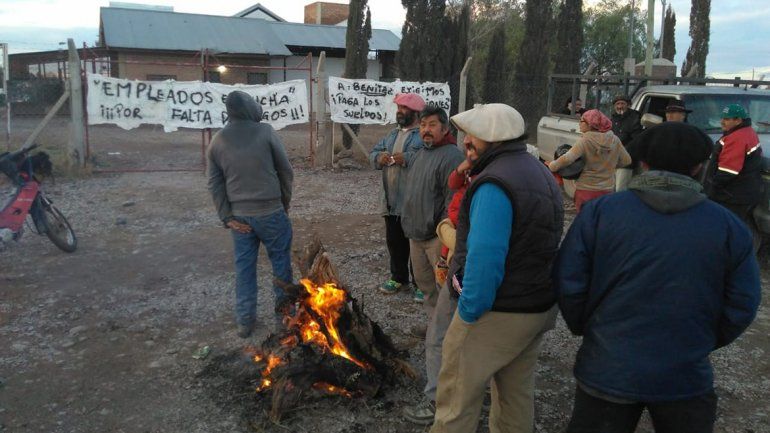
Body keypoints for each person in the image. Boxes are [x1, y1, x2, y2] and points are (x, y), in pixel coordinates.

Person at [553, 121, 761, 433]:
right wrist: (702, 338)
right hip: (685, 374)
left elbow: (569, 280)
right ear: (699, 168)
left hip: (608, 367)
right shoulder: (728, 226)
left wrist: (589, 327)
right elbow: (743, 302)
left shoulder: (601, 214)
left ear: (643, 163)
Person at [429, 104, 564, 433]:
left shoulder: (494, 183)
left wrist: (469, 310)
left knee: (456, 401)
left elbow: (486, 257)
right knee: (515, 398)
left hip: (497, 311)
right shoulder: (540, 172)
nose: (466, 142)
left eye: (472, 136)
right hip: (536, 306)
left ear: (493, 138)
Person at [207, 90, 294, 339]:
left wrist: (227, 217)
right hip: (271, 213)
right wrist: (283, 204)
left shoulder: (218, 140)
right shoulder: (265, 132)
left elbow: (214, 184)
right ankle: (285, 321)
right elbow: (286, 171)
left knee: (244, 269)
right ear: (249, 108)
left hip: (240, 218)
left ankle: (245, 322)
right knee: (281, 266)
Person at [400, 105, 464, 425]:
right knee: (428, 293)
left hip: (436, 240)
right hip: (414, 235)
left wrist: (442, 244)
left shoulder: (451, 156)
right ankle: (434, 333)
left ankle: (448, 354)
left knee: (444, 298)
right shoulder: (420, 152)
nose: (426, 130)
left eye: (432, 125)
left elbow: (450, 205)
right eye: (423, 124)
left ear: (444, 128)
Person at [369, 93, 425, 296]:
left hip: (413, 203)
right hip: (391, 202)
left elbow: (428, 158)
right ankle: (399, 279)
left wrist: (408, 158)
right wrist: (379, 158)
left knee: (417, 245)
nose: (399, 111)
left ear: (416, 113)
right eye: (399, 108)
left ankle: (421, 284)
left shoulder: (422, 136)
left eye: (404, 108)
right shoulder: (392, 135)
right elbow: (373, 153)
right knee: (395, 242)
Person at [548, 109, 632, 212]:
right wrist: (609, 165)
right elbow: (627, 160)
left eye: (582, 121)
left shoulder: (586, 140)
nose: (579, 123)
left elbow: (567, 158)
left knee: (586, 223)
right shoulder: (615, 139)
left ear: (591, 124)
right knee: (601, 223)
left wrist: (553, 166)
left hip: (586, 190)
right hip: (607, 191)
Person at [705, 103, 763, 225]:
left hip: (732, 197)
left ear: (738, 120)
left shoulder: (736, 138)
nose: (721, 122)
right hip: (745, 193)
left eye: (726, 119)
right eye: (722, 118)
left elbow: (727, 172)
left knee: (724, 226)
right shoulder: (748, 131)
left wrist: (711, 190)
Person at [611, 94, 643, 191]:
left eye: (623, 103)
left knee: (621, 189)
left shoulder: (635, 118)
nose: (620, 106)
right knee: (611, 188)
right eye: (617, 104)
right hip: (612, 160)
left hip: (626, 161)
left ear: (628, 105)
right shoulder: (613, 119)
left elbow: (636, 140)